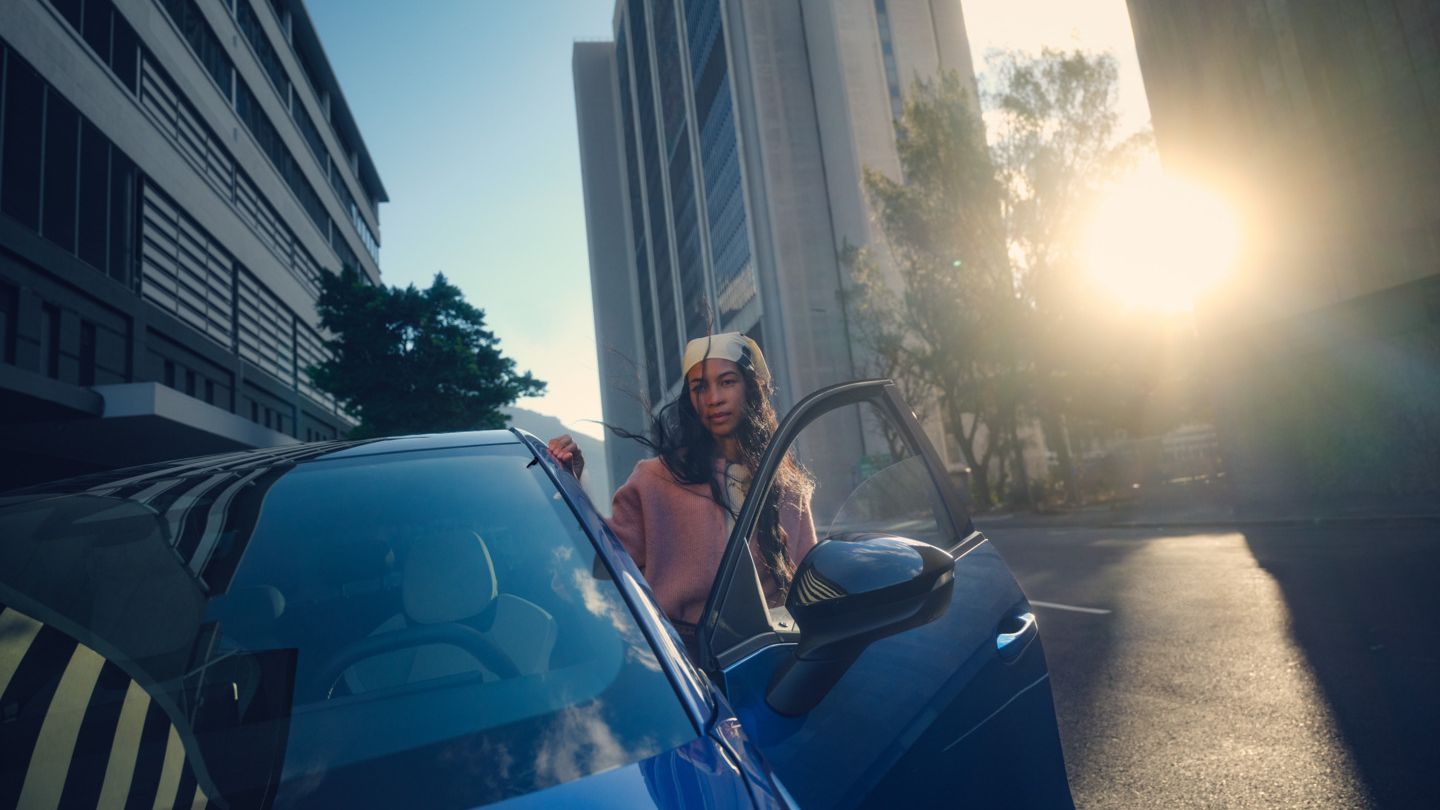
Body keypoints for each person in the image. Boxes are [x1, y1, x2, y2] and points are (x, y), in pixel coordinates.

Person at [548, 333, 816, 656]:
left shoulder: (786, 484)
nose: (713, 398)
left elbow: (812, 587)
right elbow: (602, 561)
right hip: (679, 663)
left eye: (727, 382)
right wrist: (574, 482)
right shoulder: (654, 480)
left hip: (772, 658)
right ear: (689, 398)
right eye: (699, 387)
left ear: (750, 388)